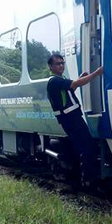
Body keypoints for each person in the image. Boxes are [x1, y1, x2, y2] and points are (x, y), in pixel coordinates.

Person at [46, 53, 103, 189]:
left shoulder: (60, 80)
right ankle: (87, 181)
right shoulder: (54, 80)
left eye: (62, 63)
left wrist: (81, 79)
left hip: (73, 117)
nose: (61, 66)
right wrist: (96, 73)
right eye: (58, 64)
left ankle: (84, 178)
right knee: (87, 146)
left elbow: (71, 89)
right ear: (51, 67)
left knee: (84, 145)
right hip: (70, 118)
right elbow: (74, 85)